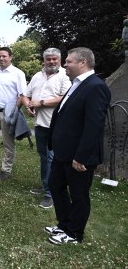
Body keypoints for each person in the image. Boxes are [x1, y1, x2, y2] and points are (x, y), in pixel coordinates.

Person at [45, 47, 111, 245]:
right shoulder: (77, 84)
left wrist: (81, 157)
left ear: (83, 63)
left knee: (78, 194)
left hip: (78, 156)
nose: (65, 64)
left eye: (69, 61)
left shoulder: (95, 86)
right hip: (62, 152)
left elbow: (94, 126)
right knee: (55, 186)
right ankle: (64, 224)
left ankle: (74, 233)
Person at [22, 48, 71, 209]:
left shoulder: (65, 76)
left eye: (54, 59)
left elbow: (65, 98)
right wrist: (28, 105)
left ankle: (50, 194)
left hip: (56, 125)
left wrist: (40, 103)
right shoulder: (37, 76)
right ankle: (46, 186)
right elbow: (26, 94)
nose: (51, 62)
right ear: (44, 60)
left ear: (60, 59)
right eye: (48, 59)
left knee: (51, 158)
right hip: (40, 124)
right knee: (44, 157)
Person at [0, 47, 27, 180]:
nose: (1, 59)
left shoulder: (18, 73)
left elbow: (22, 95)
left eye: (4, 56)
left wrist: (14, 111)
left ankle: (6, 170)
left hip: (7, 113)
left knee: (8, 143)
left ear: (10, 57)